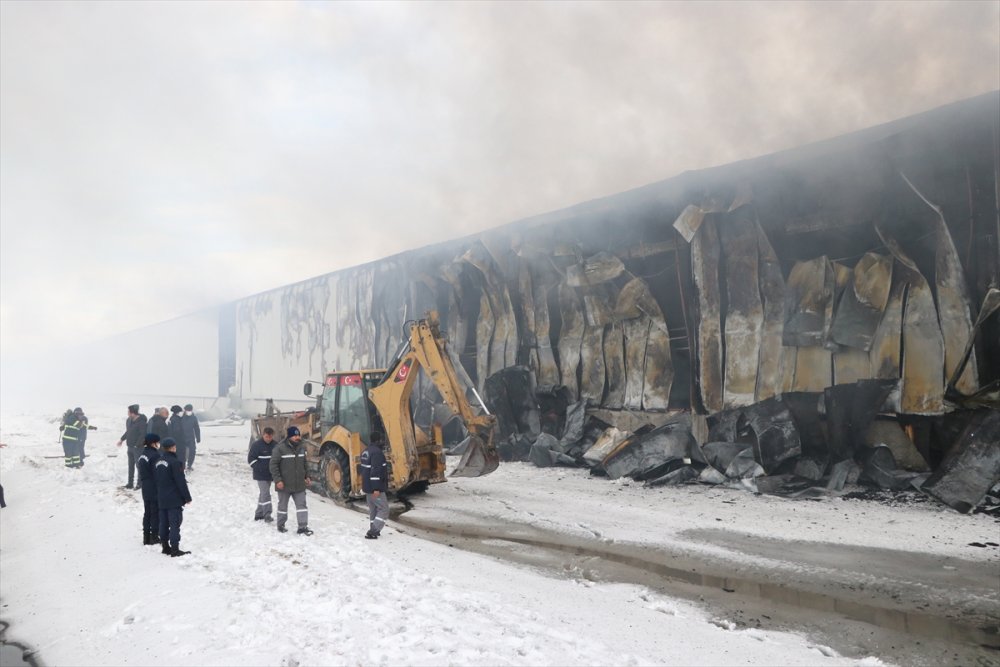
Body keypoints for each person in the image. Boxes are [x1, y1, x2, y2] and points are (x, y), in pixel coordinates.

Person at [268, 426, 312, 535]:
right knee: (283, 506)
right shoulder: (279, 448)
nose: (297, 437)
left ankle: (302, 527)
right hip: (284, 484)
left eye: (298, 435)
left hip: (299, 484)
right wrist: (278, 480)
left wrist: (307, 476)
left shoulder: (302, 447)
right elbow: (273, 465)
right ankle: (281, 525)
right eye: (295, 435)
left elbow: (304, 463)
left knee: (302, 506)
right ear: (289, 436)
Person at [155, 437, 192, 557]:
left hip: (161, 498)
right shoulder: (176, 463)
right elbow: (180, 481)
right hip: (173, 499)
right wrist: (187, 497)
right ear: (173, 447)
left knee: (163, 523)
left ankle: (165, 547)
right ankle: (175, 549)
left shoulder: (158, 462)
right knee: (175, 523)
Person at [360, 432, 389, 539]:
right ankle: (373, 531)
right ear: (378, 440)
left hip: (367, 487)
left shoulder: (365, 451)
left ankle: (373, 527)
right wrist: (376, 488)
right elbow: (375, 472)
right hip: (375, 488)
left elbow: (363, 470)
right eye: (381, 440)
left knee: (373, 509)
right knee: (384, 509)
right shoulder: (377, 453)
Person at [136, 433, 162, 545]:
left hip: (145, 486)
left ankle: (146, 537)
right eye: (157, 442)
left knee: (147, 512)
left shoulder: (143, 454)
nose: (159, 444)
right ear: (153, 443)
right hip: (153, 486)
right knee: (155, 512)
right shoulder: (155, 455)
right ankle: (155, 536)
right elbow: (157, 473)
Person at [247, 427, 276, 522]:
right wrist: (259, 468)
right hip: (260, 475)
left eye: (270, 437)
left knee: (263, 494)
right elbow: (251, 460)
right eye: (266, 436)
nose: (268, 439)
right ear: (263, 435)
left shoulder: (276, 445)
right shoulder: (256, 445)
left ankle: (258, 514)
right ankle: (267, 514)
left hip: (270, 475)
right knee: (266, 494)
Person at [117, 405, 147, 489]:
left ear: (132, 413)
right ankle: (130, 483)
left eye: (128, 411)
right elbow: (128, 432)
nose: (127, 413)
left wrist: (137, 445)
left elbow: (143, 435)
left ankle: (139, 484)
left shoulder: (141, 422)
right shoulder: (129, 420)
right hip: (129, 447)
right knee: (130, 466)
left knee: (139, 466)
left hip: (138, 448)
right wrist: (122, 439)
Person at [180, 404, 201, 472]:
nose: (189, 411)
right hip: (182, 438)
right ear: (185, 410)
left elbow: (196, 428)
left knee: (192, 452)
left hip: (191, 438)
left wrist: (198, 437)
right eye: (187, 410)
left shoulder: (194, 418)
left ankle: (189, 465)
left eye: (190, 410)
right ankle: (182, 465)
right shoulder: (181, 417)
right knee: (182, 452)